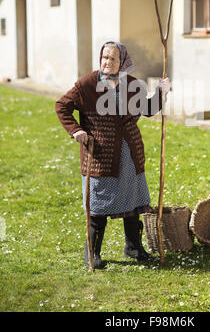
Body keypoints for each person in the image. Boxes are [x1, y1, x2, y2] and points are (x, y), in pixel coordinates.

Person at [55, 41, 170, 269]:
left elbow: (147, 110)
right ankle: (92, 252)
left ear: (123, 62)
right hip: (100, 155)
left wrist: (161, 93)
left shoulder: (131, 85)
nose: (107, 62)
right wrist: (77, 130)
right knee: (98, 206)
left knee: (133, 203)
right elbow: (62, 106)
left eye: (113, 58)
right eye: (104, 57)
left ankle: (134, 248)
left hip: (130, 153)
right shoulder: (87, 84)